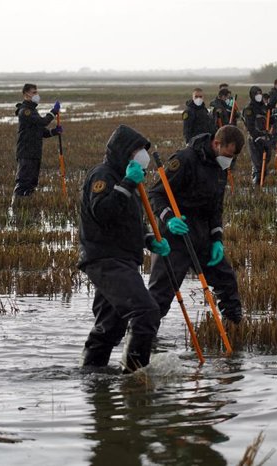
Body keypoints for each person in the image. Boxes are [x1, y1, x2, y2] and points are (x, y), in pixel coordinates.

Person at [77, 125, 170, 372]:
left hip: (122, 258)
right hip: (105, 259)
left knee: (111, 324)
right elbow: (104, 212)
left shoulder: (127, 180)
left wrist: (148, 239)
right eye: (138, 150)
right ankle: (136, 377)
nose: (142, 155)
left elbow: (125, 223)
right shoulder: (104, 175)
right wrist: (127, 183)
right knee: (146, 311)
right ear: (125, 151)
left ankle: (91, 374)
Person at [147, 125, 245, 327]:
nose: (229, 161)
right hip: (174, 237)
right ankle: (141, 340)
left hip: (202, 237)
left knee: (226, 280)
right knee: (160, 295)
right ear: (217, 144)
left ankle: (234, 328)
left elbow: (216, 208)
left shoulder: (221, 167)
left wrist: (217, 239)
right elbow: (155, 194)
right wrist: (169, 218)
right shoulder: (185, 159)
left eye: (233, 157)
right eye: (228, 155)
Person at [13, 83, 62, 200]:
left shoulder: (33, 111)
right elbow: (42, 122)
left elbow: (42, 131)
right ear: (26, 95)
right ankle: (17, 206)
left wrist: (54, 132)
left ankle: (27, 205)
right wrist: (53, 112)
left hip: (35, 153)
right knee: (23, 182)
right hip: (26, 152)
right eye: (34, 92)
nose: (37, 95)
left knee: (32, 183)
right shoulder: (25, 111)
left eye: (37, 92)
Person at [243, 86, 272, 184]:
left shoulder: (263, 107)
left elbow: (268, 121)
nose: (259, 96)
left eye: (260, 93)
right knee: (258, 166)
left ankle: (261, 183)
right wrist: (257, 136)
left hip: (265, 138)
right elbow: (250, 126)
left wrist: (273, 118)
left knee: (265, 164)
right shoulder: (249, 109)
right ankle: (256, 186)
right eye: (256, 94)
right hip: (255, 140)